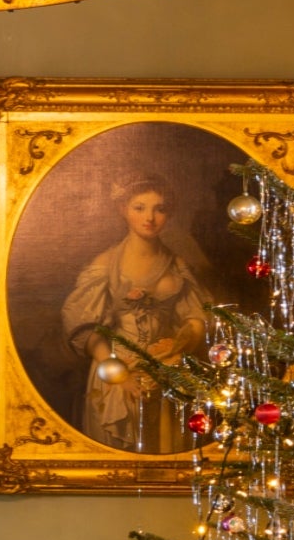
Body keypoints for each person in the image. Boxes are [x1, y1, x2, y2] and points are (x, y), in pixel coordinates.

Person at [58, 171, 214, 452]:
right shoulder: (105, 264)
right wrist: (120, 375)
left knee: (165, 449)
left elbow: (196, 318)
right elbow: (87, 329)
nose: (149, 218)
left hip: (167, 370)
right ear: (123, 209)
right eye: (139, 208)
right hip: (116, 370)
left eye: (159, 209)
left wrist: (177, 348)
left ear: (169, 214)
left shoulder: (177, 265)